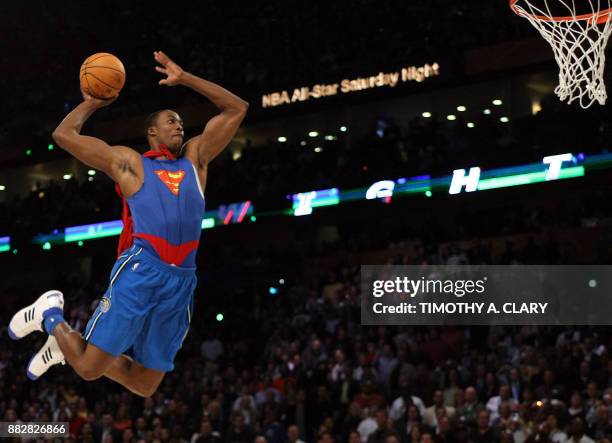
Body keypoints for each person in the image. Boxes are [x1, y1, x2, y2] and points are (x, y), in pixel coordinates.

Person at [8, 51, 248, 397]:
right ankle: (50, 315)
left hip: (182, 280)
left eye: (181, 121)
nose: (179, 125)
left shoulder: (197, 160)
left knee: (145, 384)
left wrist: (186, 78)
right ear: (152, 132)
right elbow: (64, 136)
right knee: (90, 369)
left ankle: (65, 347)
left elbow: (237, 108)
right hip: (142, 270)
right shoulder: (130, 163)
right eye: (170, 120)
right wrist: (92, 102)